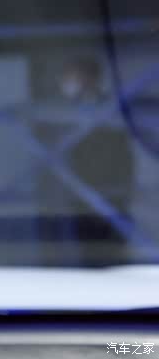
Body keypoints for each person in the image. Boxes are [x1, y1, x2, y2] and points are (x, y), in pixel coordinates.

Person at [55, 57, 135, 266]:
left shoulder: (110, 108)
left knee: (112, 254)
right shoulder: (66, 109)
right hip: (80, 197)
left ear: (90, 78)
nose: (69, 83)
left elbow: (120, 153)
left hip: (108, 193)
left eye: (74, 77)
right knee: (86, 253)